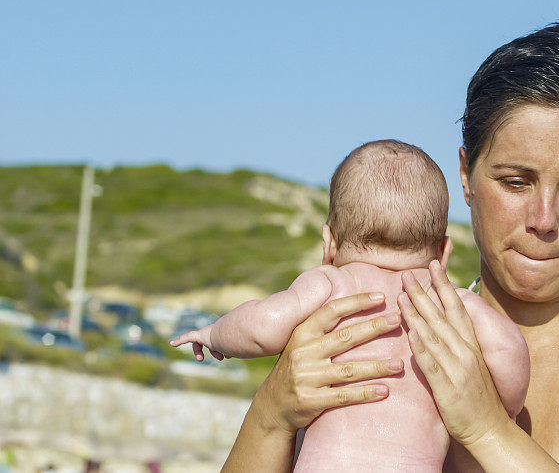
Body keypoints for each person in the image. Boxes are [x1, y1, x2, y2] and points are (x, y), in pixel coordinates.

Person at [222, 20, 559, 473]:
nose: (543, 220)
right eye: (516, 182)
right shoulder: (363, 326)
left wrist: (486, 429)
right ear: (465, 175)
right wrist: (271, 414)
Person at [172, 139, 529, 472]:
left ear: (329, 242)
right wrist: (503, 414)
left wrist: (215, 333)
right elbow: (509, 350)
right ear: (444, 252)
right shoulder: (452, 306)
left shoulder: (331, 283)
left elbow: (263, 325)